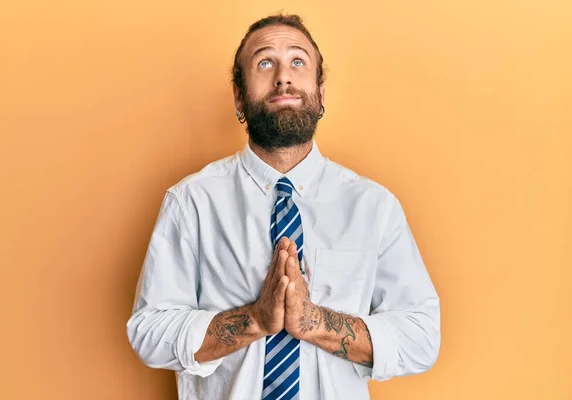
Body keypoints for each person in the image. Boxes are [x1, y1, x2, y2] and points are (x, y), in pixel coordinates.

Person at [126, 13, 440, 400]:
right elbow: (149, 332)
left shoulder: (374, 206)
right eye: (264, 62)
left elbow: (422, 337)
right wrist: (254, 319)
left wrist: (315, 322)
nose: (282, 77)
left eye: (297, 61)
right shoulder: (192, 202)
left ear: (320, 90)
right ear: (239, 96)